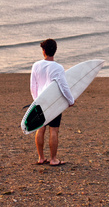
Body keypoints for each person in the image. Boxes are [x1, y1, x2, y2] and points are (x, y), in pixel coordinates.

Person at [30, 38, 75, 166]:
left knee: (40, 128)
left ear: (43, 51)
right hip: (54, 102)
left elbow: (33, 87)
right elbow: (63, 86)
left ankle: (41, 158)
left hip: (40, 102)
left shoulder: (36, 65)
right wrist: (70, 100)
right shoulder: (58, 67)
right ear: (55, 51)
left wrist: (36, 102)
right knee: (53, 130)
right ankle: (54, 159)